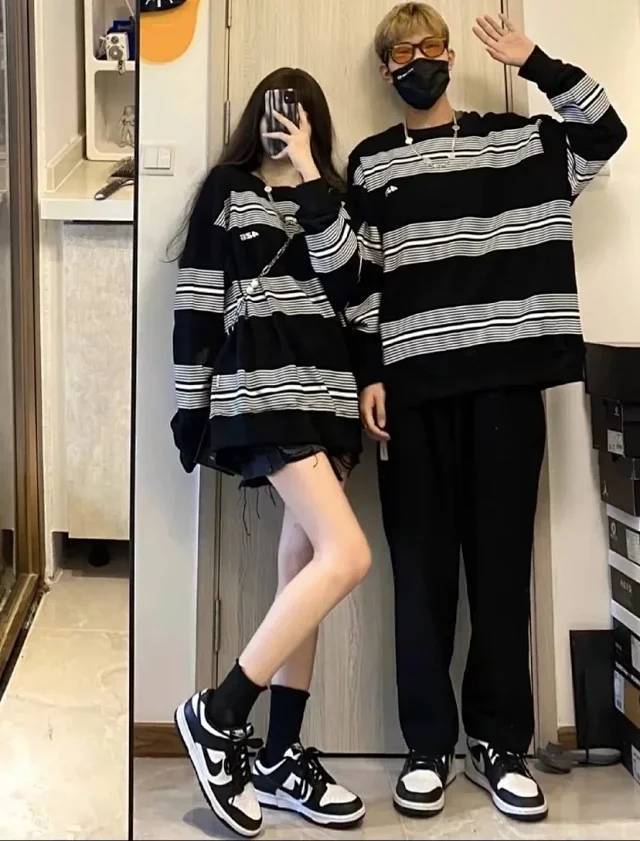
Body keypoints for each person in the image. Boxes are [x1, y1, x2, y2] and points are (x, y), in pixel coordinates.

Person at [346, 1, 627, 823]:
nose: (419, 61)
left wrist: (534, 61)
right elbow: (360, 283)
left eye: (430, 46)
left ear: (450, 56)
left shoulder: (520, 141)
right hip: (413, 394)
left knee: (501, 572)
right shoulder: (370, 164)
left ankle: (500, 744)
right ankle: (427, 746)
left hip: (506, 387)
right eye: (402, 53)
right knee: (421, 575)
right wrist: (369, 374)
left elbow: (605, 131)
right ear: (387, 70)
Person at [171, 68, 369, 837]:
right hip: (262, 393)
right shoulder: (227, 191)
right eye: (270, 109)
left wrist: (312, 171)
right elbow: (197, 302)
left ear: (313, 120)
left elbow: (352, 288)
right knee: (348, 556)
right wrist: (190, 407)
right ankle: (220, 712)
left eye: (296, 112)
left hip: (328, 401)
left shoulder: (335, 198)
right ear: (254, 116)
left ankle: (280, 757)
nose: (281, 122)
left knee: (304, 566)